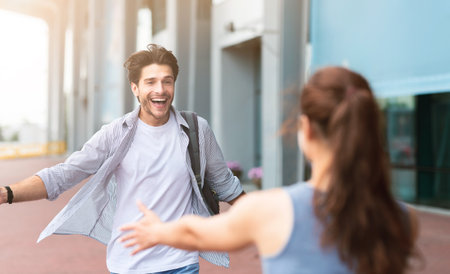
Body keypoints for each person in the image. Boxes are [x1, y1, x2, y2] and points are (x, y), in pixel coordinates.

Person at [120, 66, 420, 274]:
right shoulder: (402, 219)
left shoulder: (274, 210)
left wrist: (158, 231)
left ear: (306, 130)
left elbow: (196, 234)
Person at [0, 44, 244, 274]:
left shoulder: (196, 129)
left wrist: (271, 217)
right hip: (128, 263)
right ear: (135, 88)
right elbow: (64, 174)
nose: (160, 90)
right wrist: (7, 193)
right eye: (150, 82)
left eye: (166, 82)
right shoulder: (116, 133)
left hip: (181, 262)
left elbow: (224, 183)